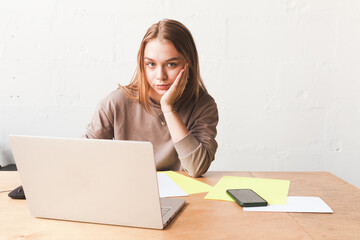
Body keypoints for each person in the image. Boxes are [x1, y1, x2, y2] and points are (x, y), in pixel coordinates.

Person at [83, 19, 218, 177]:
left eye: (171, 64)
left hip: (184, 197)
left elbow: (196, 168)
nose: (161, 76)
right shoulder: (115, 103)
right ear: (142, 65)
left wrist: (168, 108)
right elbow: (84, 157)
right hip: (129, 191)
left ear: (188, 65)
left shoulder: (203, 105)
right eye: (151, 64)